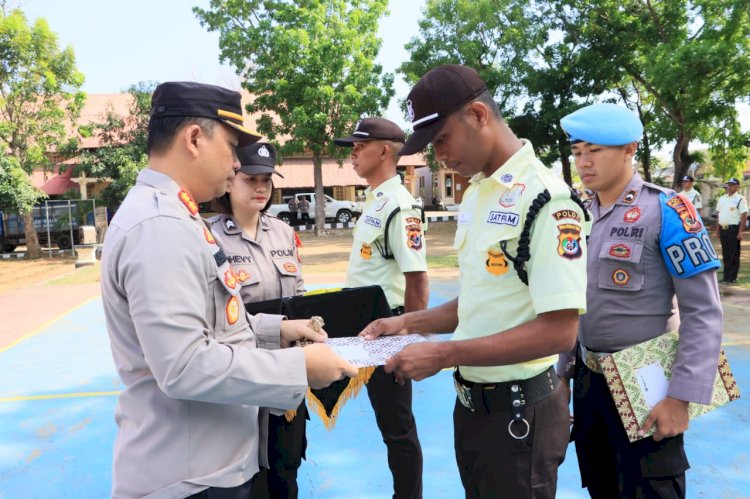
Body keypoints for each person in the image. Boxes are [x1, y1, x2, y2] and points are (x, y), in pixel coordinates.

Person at [100, 81, 357, 499]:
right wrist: (300, 368)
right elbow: (183, 364)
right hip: (190, 479)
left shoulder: (176, 216)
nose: (237, 164)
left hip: (208, 465)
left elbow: (210, 324)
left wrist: (278, 331)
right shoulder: (160, 226)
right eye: (232, 146)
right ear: (195, 139)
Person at [359, 64, 588, 498]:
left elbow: (560, 330)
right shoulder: (479, 192)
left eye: (441, 138)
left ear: (479, 116)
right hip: (474, 408)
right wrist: (407, 324)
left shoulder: (546, 198)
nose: (437, 155)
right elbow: (484, 300)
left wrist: (445, 354)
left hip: (520, 415)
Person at [557, 103, 723, 498]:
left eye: (595, 150)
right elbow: (578, 302)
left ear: (630, 149)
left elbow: (703, 312)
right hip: (590, 383)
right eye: (578, 152)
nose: (584, 162)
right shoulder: (581, 216)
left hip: (646, 386)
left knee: (650, 489)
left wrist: (680, 397)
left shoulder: (668, 209)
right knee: (601, 486)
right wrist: (564, 374)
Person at [334, 117, 429, 498]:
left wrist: (409, 339)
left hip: (388, 326)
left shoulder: (401, 207)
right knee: (388, 423)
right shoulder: (376, 199)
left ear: (385, 150)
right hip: (362, 324)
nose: (353, 154)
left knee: (398, 427)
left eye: (359, 146)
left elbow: (418, 279)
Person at [209, 142, 309, 499]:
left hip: (286, 377)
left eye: (267, 179)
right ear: (230, 180)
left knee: (286, 470)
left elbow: (298, 293)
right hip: (243, 378)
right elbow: (218, 316)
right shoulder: (209, 237)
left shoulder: (282, 232)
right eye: (251, 178)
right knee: (244, 485)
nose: (261, 187)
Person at [715, 177, 748, 284]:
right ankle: (726, 276)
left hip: (733, 229)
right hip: (723, 229)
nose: (729, 186)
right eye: (728, 184)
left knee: (733, 254)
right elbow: (719, 215)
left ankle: (732, 277)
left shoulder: (740, 199)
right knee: (725, 253)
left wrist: (740, 231)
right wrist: (717, 230)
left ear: (737, 187)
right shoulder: (722, 198)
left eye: (732, 185)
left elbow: (744, 215)